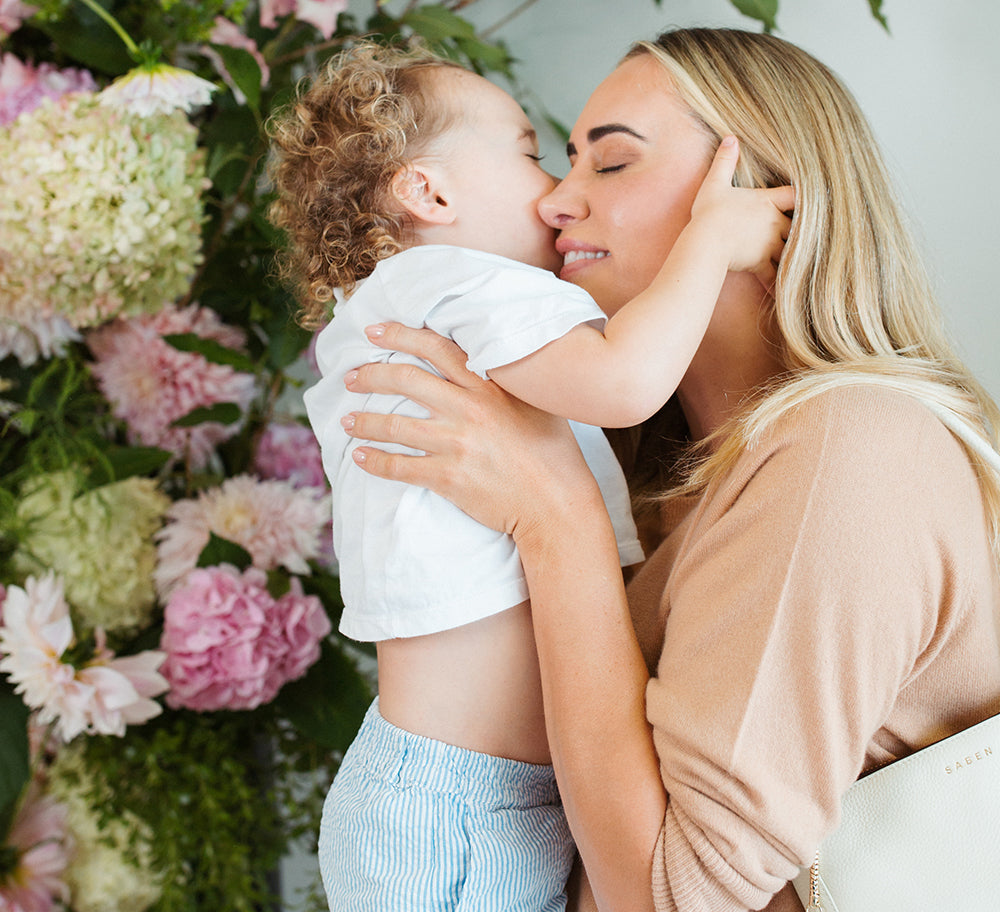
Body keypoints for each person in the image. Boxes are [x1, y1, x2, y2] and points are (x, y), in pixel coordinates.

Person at [336, 27, 1000, 912]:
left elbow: (672, 900)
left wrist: (556, 523)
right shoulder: (658, 468)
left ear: (759, 203)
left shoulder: (844, 449)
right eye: (560, 162)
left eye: (611, 163)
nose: (557, 202)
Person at [265, 40, 791, 911]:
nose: (553, 194)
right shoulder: (449, 280)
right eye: (528, 153)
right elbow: (625, 382)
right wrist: (711, 241)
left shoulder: (425, 303)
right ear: (429, 194)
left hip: (464, 800)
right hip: (461, 812)